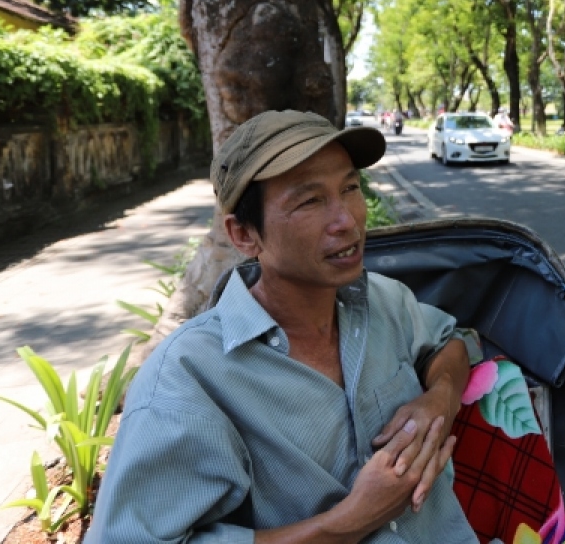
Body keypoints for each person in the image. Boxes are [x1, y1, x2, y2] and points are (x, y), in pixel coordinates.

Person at [87, 110, 475, 544]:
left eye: (350, 188)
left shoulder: (386, 301)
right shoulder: (186, 378)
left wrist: (439, 400)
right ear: (244, 235)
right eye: (310, 201)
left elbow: (451, 343)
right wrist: (346, 523)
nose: (346, 219)